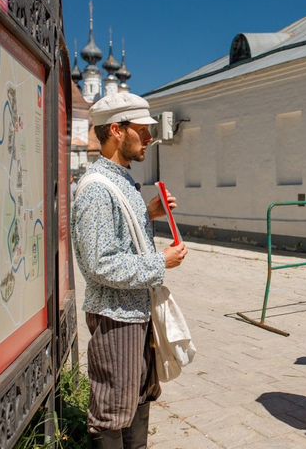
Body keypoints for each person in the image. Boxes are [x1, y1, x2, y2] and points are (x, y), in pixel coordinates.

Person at [72, 92, 189, 448]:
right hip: (116, 315)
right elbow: (100, 263)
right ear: (117, 131)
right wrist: (161, 261)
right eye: (143, 130)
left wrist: (147, 212)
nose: (150, 139)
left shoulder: (119, 179)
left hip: (134, 311)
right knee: (112, 412)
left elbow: (116, 236)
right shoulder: (95, 189)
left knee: (139, 398)